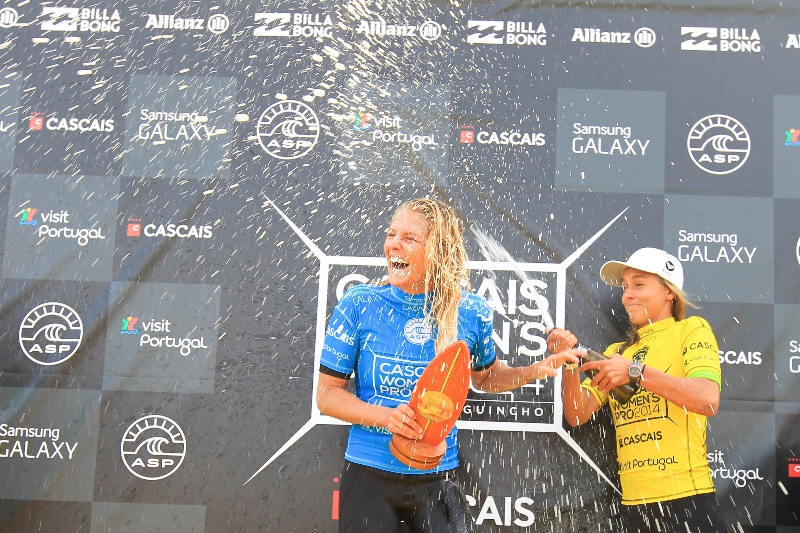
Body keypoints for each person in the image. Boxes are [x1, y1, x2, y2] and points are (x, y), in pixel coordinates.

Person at [316, 198, 578, 533]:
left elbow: (485, 378)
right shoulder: (359, 304)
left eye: (410, 239)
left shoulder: (471, 311)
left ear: (439, 250)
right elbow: (327, 395)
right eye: (391, 234)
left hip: (437, 479)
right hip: (368, 478)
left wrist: (535, 370)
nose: (393, 244)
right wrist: (387, 417)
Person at [546, 247, 726, 533]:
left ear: (670, 292)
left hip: (688, 502)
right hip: (634, 507)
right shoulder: (616, 352)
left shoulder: (690, 330)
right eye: (626, 286)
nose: (627, 294)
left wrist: (635, 372)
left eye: (639, 284)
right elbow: (577, 413)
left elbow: (707, 399)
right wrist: (568, 362)